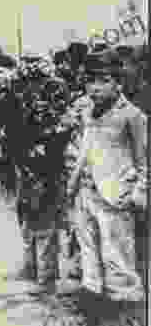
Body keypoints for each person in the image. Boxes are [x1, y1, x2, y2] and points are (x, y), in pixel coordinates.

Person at [66, 52, 147, 311]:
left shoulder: (133, 116)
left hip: (115, 194)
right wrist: (73, 185)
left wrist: (139, 191)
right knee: (88, 249)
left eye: (104, 81)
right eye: (90, 81)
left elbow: (144, 160)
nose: (95, 87)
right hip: (85, 192)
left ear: (119, 83)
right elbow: (83, 149)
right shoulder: (87, 113)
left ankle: (124, 304)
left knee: (117, 253)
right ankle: (93, 299)